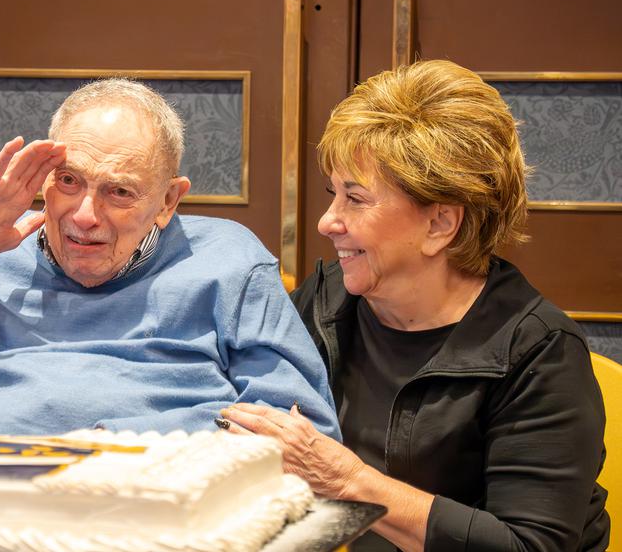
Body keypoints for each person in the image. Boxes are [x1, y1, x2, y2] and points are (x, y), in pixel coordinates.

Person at [0, 78, 340, 439]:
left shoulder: (228, 260)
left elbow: (301, 432)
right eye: (69, 181)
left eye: (119, 192)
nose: (84, 214)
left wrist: (143, 462)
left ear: (167, 201)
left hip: (154, 509)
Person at [219, 60, 609, 551]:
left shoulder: (539, 353)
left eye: (355, 199)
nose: (326, 222)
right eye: (332, 194)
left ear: (440, 224)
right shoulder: (322, 304)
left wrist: (350, 481)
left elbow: (531, 544)